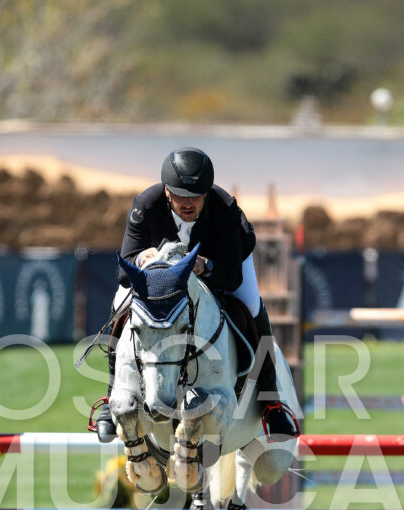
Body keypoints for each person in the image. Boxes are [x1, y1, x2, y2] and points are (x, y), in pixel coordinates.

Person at [95, 146, 299, 442]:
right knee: (120, 300)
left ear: (206, 194)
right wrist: (140, 259)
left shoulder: (225, 209)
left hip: (224, 262)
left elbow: (232, 277)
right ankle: (111, 395)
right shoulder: (145, 206)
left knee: (253, 306)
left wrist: (207, 267)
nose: (187, 202)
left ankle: (271, 403)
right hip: (162, 276)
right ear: (167, 191)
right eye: (180, 195)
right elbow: (123, 273)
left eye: (195, 195)